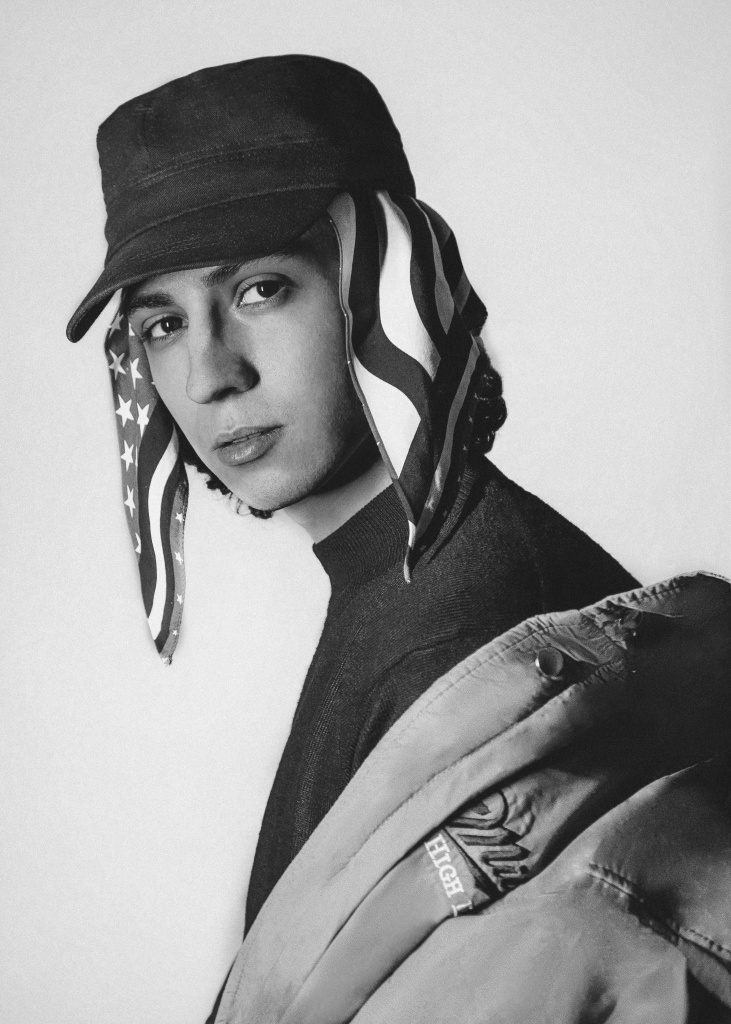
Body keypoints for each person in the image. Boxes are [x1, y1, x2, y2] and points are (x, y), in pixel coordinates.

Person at [68, 56, 731, 1022]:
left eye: (260, 290)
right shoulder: (419, 579)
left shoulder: (461, 631)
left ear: (385, 290)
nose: (210, 374)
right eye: (163, 323)